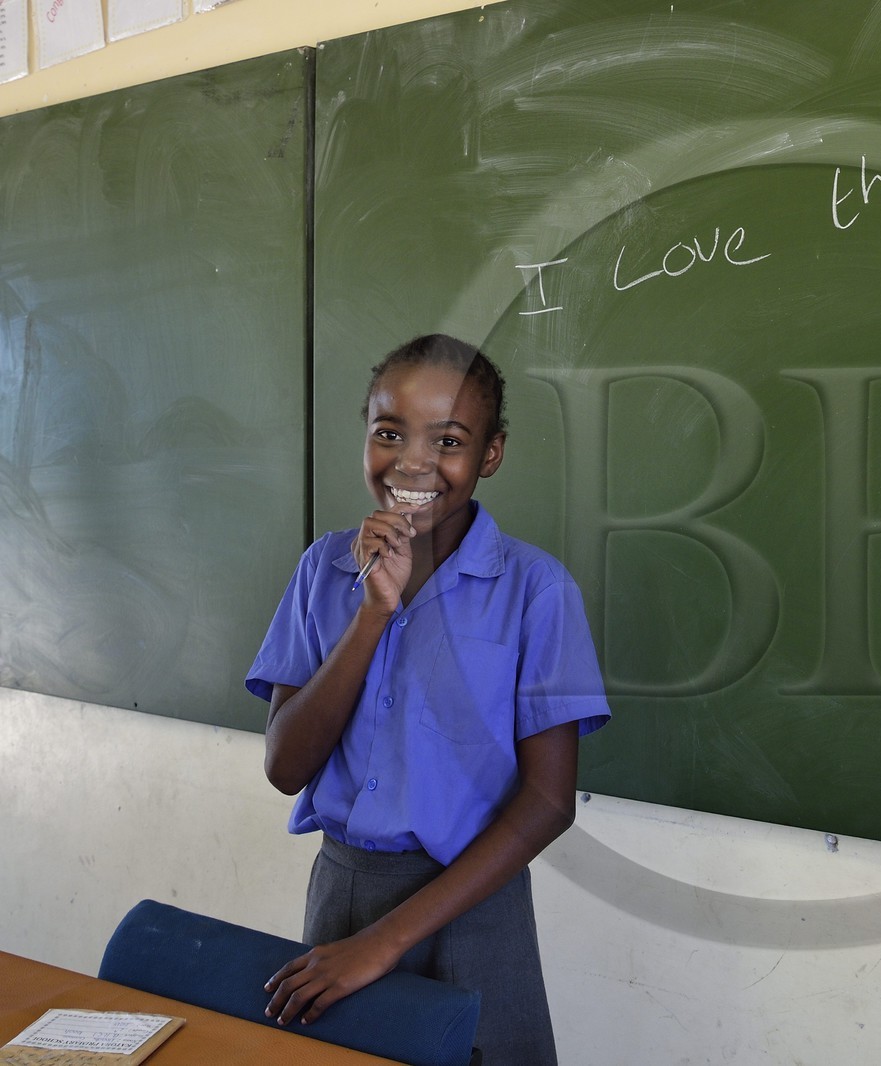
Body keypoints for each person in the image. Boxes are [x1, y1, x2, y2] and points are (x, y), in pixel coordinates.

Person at [246, 334, 609, 1065]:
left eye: (448, 440)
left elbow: (548, 802)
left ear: (491, 455)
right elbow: (287, 765)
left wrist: (383, 944)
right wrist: (372, 614)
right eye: (389, 433)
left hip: (472, 909)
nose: (412, 463)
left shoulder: (536, 591)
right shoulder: (324, 569)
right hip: (342, 891)